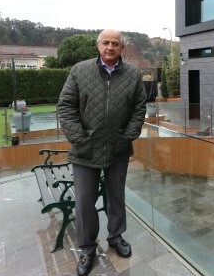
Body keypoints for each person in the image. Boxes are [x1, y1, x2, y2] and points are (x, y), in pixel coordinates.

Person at [57, 29, 147, 276]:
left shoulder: (133, 74)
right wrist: (80, 140)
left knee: (116, 195)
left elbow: (139, 109)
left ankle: (116, 237)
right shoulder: (80, 70)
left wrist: (126, 137)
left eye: (115, 44)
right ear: (98, 46)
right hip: (85, 151)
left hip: (117, 149)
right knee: (85, 201)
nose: (110, 47)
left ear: (122, 48)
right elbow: (65, 107)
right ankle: (87, 247)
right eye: (106, 42)